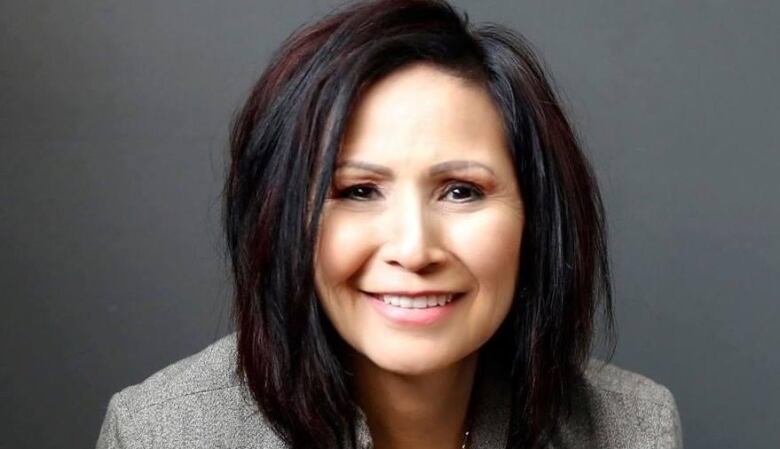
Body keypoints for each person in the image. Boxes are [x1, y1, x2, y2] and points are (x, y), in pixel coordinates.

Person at [96, 1, 683, 448]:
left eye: (461, 191)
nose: (413, 247)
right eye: (357, 191)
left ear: (538, 216)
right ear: (279, 217)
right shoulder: (161, 431)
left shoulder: (633, 427)